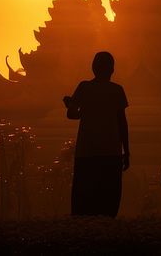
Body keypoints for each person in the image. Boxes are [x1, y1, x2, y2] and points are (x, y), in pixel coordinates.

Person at [63, 51, 130, 217]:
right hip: (111, 151)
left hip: (87, 152)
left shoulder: (84, 87)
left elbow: (71, 114)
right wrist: (126, 151)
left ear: (93, 68)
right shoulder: (117, 90)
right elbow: (122, 122)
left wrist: (72, 106)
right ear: (112, 70)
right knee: (109, 199)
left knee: (84, 200)